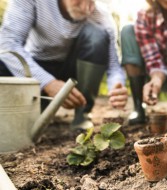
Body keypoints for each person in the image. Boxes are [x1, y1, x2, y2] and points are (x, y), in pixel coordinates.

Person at [0, 0, 128, 130]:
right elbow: (8, 43)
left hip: (73, 71)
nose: (86, 9)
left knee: (97, 35)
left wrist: (116, 85)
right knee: (5, 60)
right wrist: (48, 83)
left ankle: (82, 114)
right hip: (37, 68)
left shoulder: (101, 15)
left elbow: (113, 66)